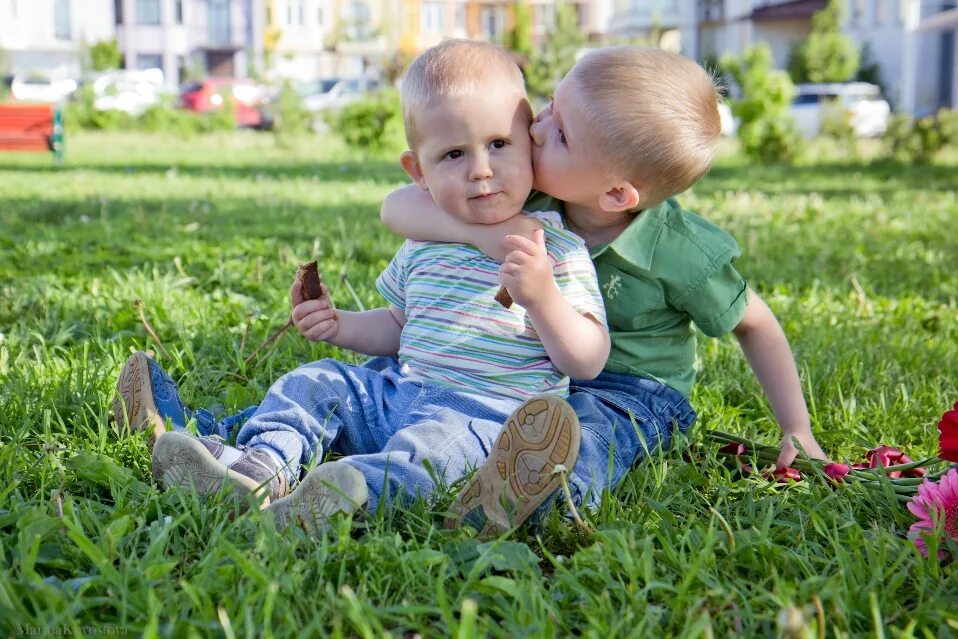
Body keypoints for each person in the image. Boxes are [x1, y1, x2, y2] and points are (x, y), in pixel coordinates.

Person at [115, 39, 609, 536]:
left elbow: (586, 360)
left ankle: (345, 496)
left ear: (529, 143)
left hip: (483, 414)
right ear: (419, 172)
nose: (480, 169)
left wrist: (543, 298)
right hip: (398, 391)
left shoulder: (557, 250)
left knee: (428, 457)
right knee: (315, 382)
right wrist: (340, 325)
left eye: (499, 144)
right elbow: (398, 325)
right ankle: (259, 468)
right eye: (454, 154)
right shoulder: (425, 243)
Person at [375, 45, 828, 513]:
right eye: (550, 105)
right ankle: (470, 462)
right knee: (435, 385)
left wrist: (797, 428)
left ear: (615, 194)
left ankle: (544, 497)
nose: (535, 126)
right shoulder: (533, 191)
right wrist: (479, 232)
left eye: (561, 133)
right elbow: (397, 206)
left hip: (633, 391)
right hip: (542, 372)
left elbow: (755, 323)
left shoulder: (680, 251)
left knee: (589, 434)